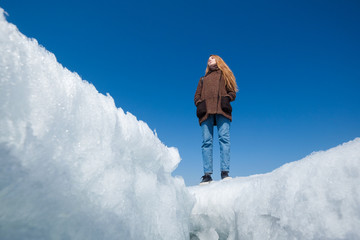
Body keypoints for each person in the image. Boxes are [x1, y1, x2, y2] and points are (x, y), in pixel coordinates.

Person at [194, 55, 238, 185]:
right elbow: (196, 96)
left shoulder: (225, 76)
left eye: (212, 58)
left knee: (224, 139)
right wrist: (199, 103)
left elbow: (233, 92)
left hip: (222, 110)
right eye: (208, 58)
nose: (209, 59)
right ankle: (207, 175)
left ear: (218, 60)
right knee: (206, 142)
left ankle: (225, 172)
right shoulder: (202, 79)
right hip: (206, 112)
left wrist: (227, 98)